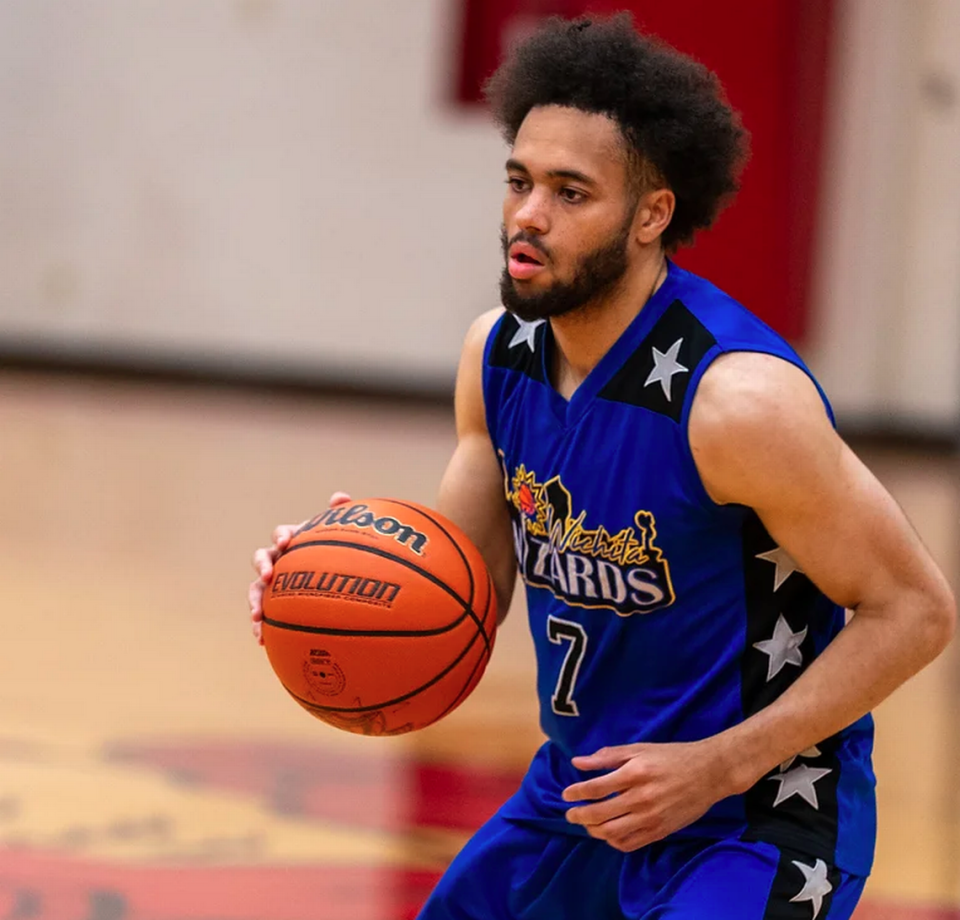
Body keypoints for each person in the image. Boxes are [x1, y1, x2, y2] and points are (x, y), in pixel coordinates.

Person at [249, 15, 956, 920]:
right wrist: (329, 574)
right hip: (581, 798)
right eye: (519, 181)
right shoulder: (495, 355)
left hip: (756, 818)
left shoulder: (736, 405)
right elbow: (465, 591)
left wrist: (721, 763)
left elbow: (915, 609)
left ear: (652, 214)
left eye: (570, 193)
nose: (528, 217)